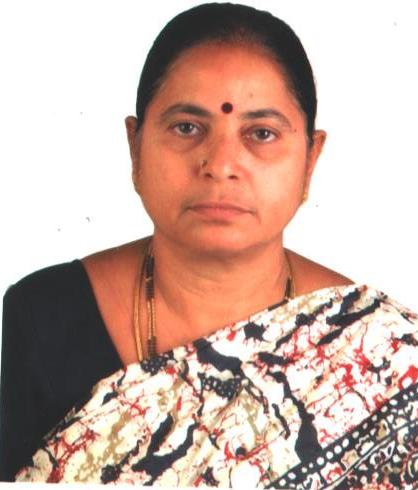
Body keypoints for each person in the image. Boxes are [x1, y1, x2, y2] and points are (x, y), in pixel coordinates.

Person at [1, 2, 417, 487]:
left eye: (261, 133)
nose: (220, 164)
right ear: (135, 148)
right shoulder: (41, 317)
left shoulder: (385, 355)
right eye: (187, 128)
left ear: (310, 159)